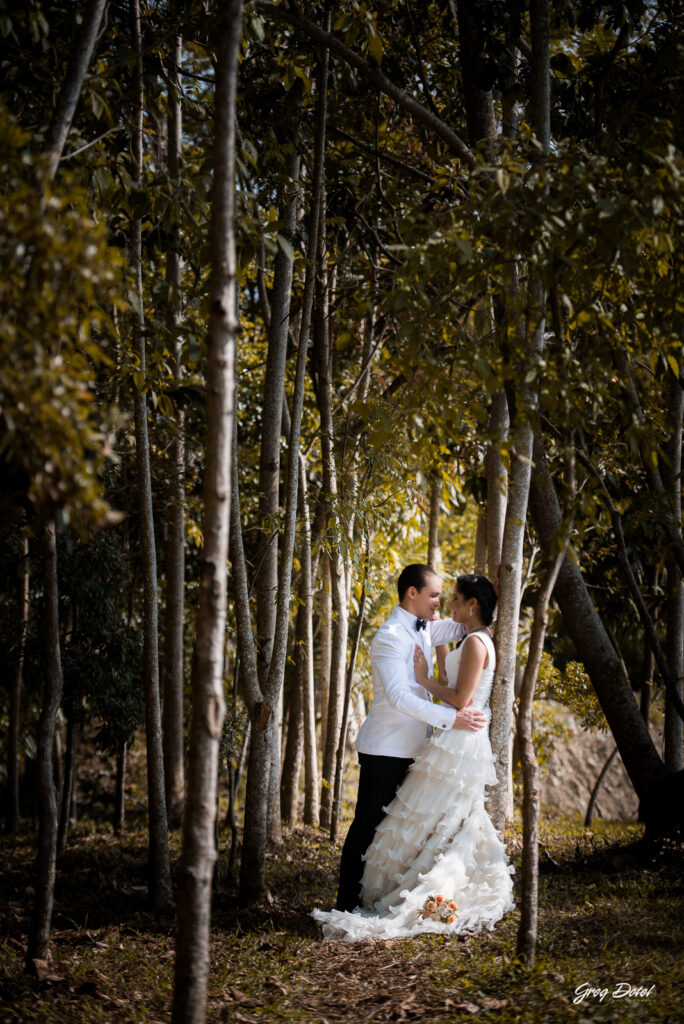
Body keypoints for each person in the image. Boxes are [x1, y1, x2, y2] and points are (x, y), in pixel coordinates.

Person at [313, 572, 514, 941]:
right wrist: (452, 716)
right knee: (369, 826)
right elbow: (400, 698)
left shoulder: (428, 628)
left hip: (424, 750)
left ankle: (393, 895)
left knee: (405, 830)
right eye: (436, 596)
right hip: (386, 748)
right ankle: (346, 902)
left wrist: (493, 593)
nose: (440, 604)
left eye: (447, 597)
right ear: (412, 593)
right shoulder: (390, 637)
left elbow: (465, 627)